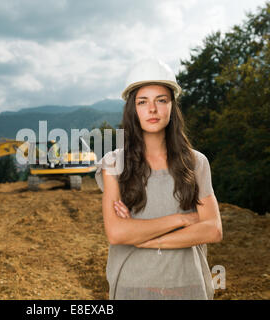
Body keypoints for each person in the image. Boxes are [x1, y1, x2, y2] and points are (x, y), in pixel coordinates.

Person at [95, 57, 223, 300]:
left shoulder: (197, 163)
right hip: (132, 287)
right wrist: (183, 220)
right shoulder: (113, 164)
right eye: (143, 102)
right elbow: (118, 234)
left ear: (172, 106)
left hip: (189, 286)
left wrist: (145, 238)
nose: (152, 109)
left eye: (161, 100)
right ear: (133, 109)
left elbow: (213, 230)